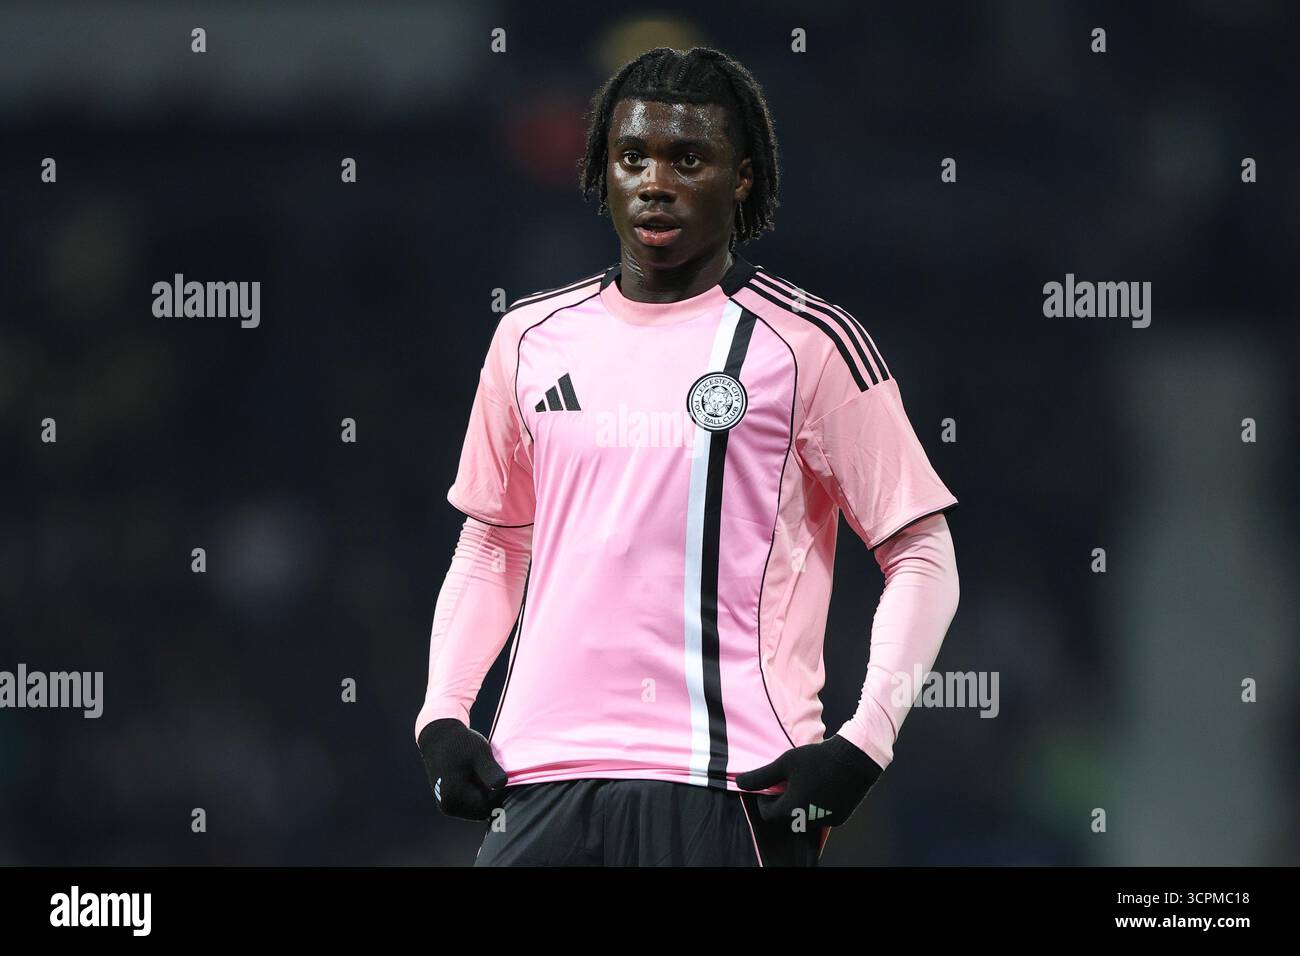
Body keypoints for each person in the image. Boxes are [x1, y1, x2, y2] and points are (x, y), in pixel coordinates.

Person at [415, 47, 960, 866]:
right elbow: (494, 539)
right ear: (605, 171)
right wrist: (444, 712)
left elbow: (922, 551)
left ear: (741, 178)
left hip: (727, 786)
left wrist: (863, 744)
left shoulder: (807, 346)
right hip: (538, 781)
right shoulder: (527, 338)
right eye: (632, 157)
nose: (655, 181)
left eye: (688, 158)